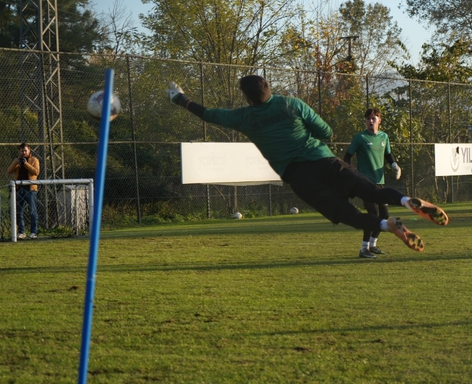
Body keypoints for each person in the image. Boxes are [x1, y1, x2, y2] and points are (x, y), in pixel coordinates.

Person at [165, 76, 448, 254]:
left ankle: (387, 226)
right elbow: (326, 132)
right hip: (323, 159)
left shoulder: (244, 117)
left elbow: (208, 115)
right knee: (372, 191)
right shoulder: (292, 104)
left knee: (346, 214)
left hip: (299, 176)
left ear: (249, 98)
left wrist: (180, 99)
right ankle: (406, 200)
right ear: (269, 89)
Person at [343, 107, 401, 259]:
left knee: (384, 215)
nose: (370, 121)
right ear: (365, 121)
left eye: (373, 118)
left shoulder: (384, 137)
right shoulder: (360, 138)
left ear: (379, 120)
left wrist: (395, 165)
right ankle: (364, 249)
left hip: (379, 182)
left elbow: (388, 154)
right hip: (366, 184)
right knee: (373, 215)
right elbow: (347, 156)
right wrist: (350, 172)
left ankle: (373, 245)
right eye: (368, 118)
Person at [7, 143, 40, 239]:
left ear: (29, 151)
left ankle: (34, 232)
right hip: (19, 189)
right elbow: (9, 171)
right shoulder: (17, 161)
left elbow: (36, 172)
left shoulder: (34, 160)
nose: (23, 153)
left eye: (25, 151)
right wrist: (16, 163)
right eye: (22, 151)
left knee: (32, 211)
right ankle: (21, 232)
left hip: (30, 189)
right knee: (18, 211)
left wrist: (25, 164)